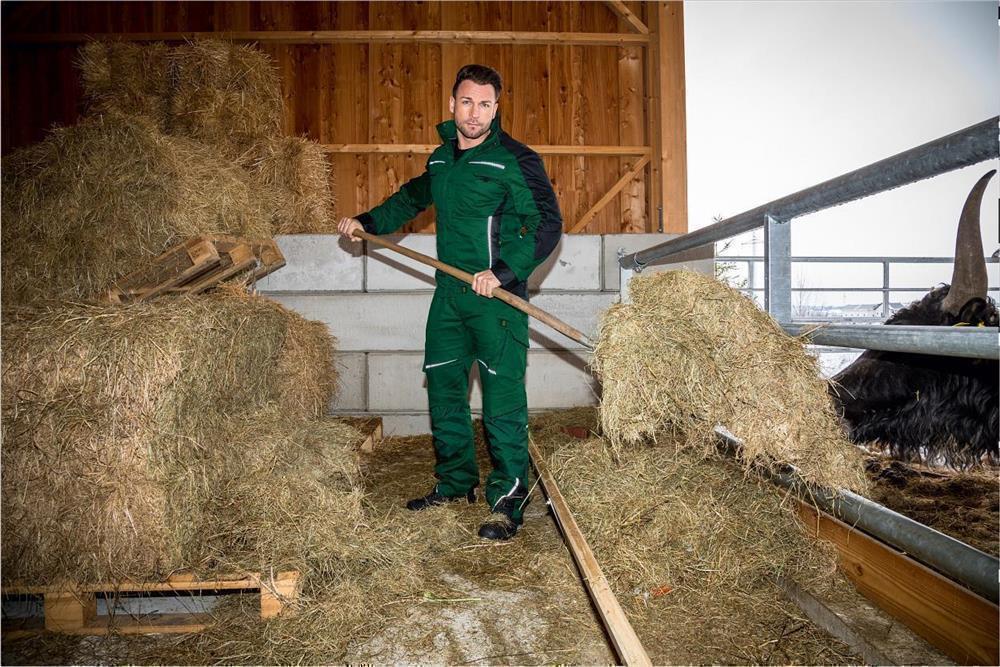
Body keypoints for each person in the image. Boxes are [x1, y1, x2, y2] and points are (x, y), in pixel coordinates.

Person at [337, 64, 562, 540]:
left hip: (496, 299)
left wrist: (502, 272)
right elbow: (411, 199)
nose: (474, 113)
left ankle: (507, 502)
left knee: (502, 402)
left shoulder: (516, 160)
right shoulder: (442, 160)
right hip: (449, 299)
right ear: (452, 104)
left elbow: (546, 224)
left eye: (484, 104)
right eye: (466, 102)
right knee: (443, 392)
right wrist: (366, 221)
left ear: (496, 108)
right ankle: (456, 483)